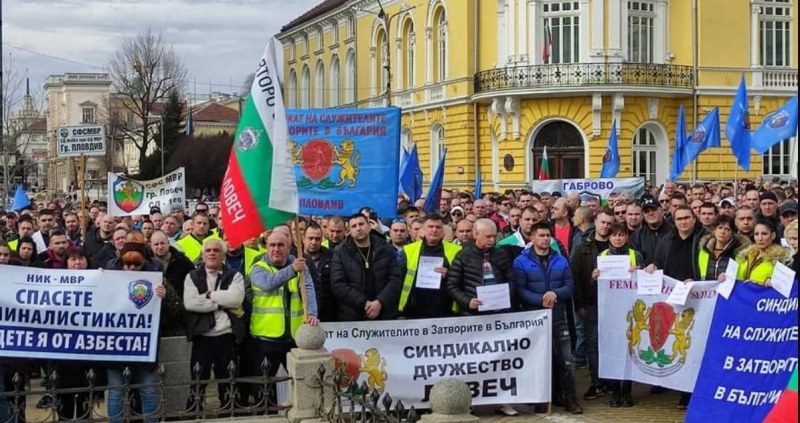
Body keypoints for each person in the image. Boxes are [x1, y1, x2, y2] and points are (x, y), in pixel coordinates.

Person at [514, 222, 583, 415]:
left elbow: (569, 285)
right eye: (541, 235)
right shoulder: (521, 261)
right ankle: (542, 398)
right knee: (539, 360)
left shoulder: (560, 260)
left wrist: (555, 293)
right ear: (532, 238)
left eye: (548, 236)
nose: (545, 239)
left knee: (566, 359)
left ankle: (571, 399)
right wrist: (539, 299)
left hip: (558, 315)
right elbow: (520, 289)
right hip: (534, 318)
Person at [248, 232, 319, 407]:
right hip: (265, 338)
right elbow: (268, 283)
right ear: (266, 246)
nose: (276, 249)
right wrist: (293, 269)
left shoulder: (299, 265)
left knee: (303, 385)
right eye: (272, 245)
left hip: (294, 338)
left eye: (281, 245)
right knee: (265, 391)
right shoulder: (258, 267)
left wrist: (312, 314)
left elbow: (308, 289)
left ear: (289, 247)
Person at [106, 240, 166, 423]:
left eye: (136, 264)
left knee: (147, 390)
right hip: (115, 346)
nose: (131, 268)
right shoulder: (109, 281)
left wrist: (163, 298)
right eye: (127, 264)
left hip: (143, 347)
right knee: (116, 392)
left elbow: (171, 314)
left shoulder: (155, 280)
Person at [184, 238, 246, 410]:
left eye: (216, 250)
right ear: (203, 255)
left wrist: (209, 295)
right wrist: (221, 302)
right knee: (197, 382)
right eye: (208, 250)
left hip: (226, 336)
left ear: (223, 254)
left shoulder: (235, 275)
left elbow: (236, 299)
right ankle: (194, 413)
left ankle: (229, 413)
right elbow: (190, 303)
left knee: (228, 382)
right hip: (202, 336)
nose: (212, 253)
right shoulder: (192, 276)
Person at [594, 223, 643, 408]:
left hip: (630, 307)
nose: (617, 238)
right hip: (609, 309)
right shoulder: (603, 256)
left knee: (629, 350)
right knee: (613, 350)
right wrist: (595, 275)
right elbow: (596, 283)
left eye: (621, 235)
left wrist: (637, 271)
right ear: (609, 238)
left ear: (626, 237)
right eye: (614, 235)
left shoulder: (634, 255)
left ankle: (627, 391)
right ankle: (615, 391)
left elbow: (644, 280)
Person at [570, 208, 614, 401]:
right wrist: (579, 303)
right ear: (595, 221)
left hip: (615, 304)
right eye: (603, 222)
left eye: (609, 224)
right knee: (593, 344)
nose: (605, 226)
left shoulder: (619, 246)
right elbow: (574, 276)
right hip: (591, 302)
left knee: (613, 344)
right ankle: (597, 382)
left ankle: (612, 381)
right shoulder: (582, 247)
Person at [330, 213, 402, 321]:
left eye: (361, 224)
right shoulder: (340, 252)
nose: (358, 228)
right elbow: (338, 284)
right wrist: (364, 303)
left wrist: (379, 302)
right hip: (352, 315)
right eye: (354, 226)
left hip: (384, 313)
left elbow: (395, 279)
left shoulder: (386, 248)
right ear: (348, 230)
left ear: (369, 226)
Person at [398, 215, 462, 319]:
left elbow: (464, 278)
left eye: (438, 227)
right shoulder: (408, 250)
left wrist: (449, 275)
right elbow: (398, 279)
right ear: (423, 229)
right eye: (430, 226)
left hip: (445, 309)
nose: (434, 230)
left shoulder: (456, 250)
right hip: (414, 309)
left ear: (443, 231)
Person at [735, 219, 792, 285]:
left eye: (764, 234)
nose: (760, 238)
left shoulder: (782, 259)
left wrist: (760, 283)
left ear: (773, 235)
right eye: (756, 234)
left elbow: (785, 285)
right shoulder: (744, 256)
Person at [696, 215, 750, 281]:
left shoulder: (739, 252)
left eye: (727, 229)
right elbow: (698, 275)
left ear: (732, 233)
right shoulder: (704, 250)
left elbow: (742, 276)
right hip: (706, 290)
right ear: (714, 230)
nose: (722, 232)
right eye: (720, 228)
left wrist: (728, 278)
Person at [303, 223, 336, 322]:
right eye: (310, 238)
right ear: (303, 238)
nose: (313, 242)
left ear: (322, 240)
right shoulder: (295, 258)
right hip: (303, 313)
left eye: (317, 239)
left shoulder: (332, 257)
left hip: (328, 313)